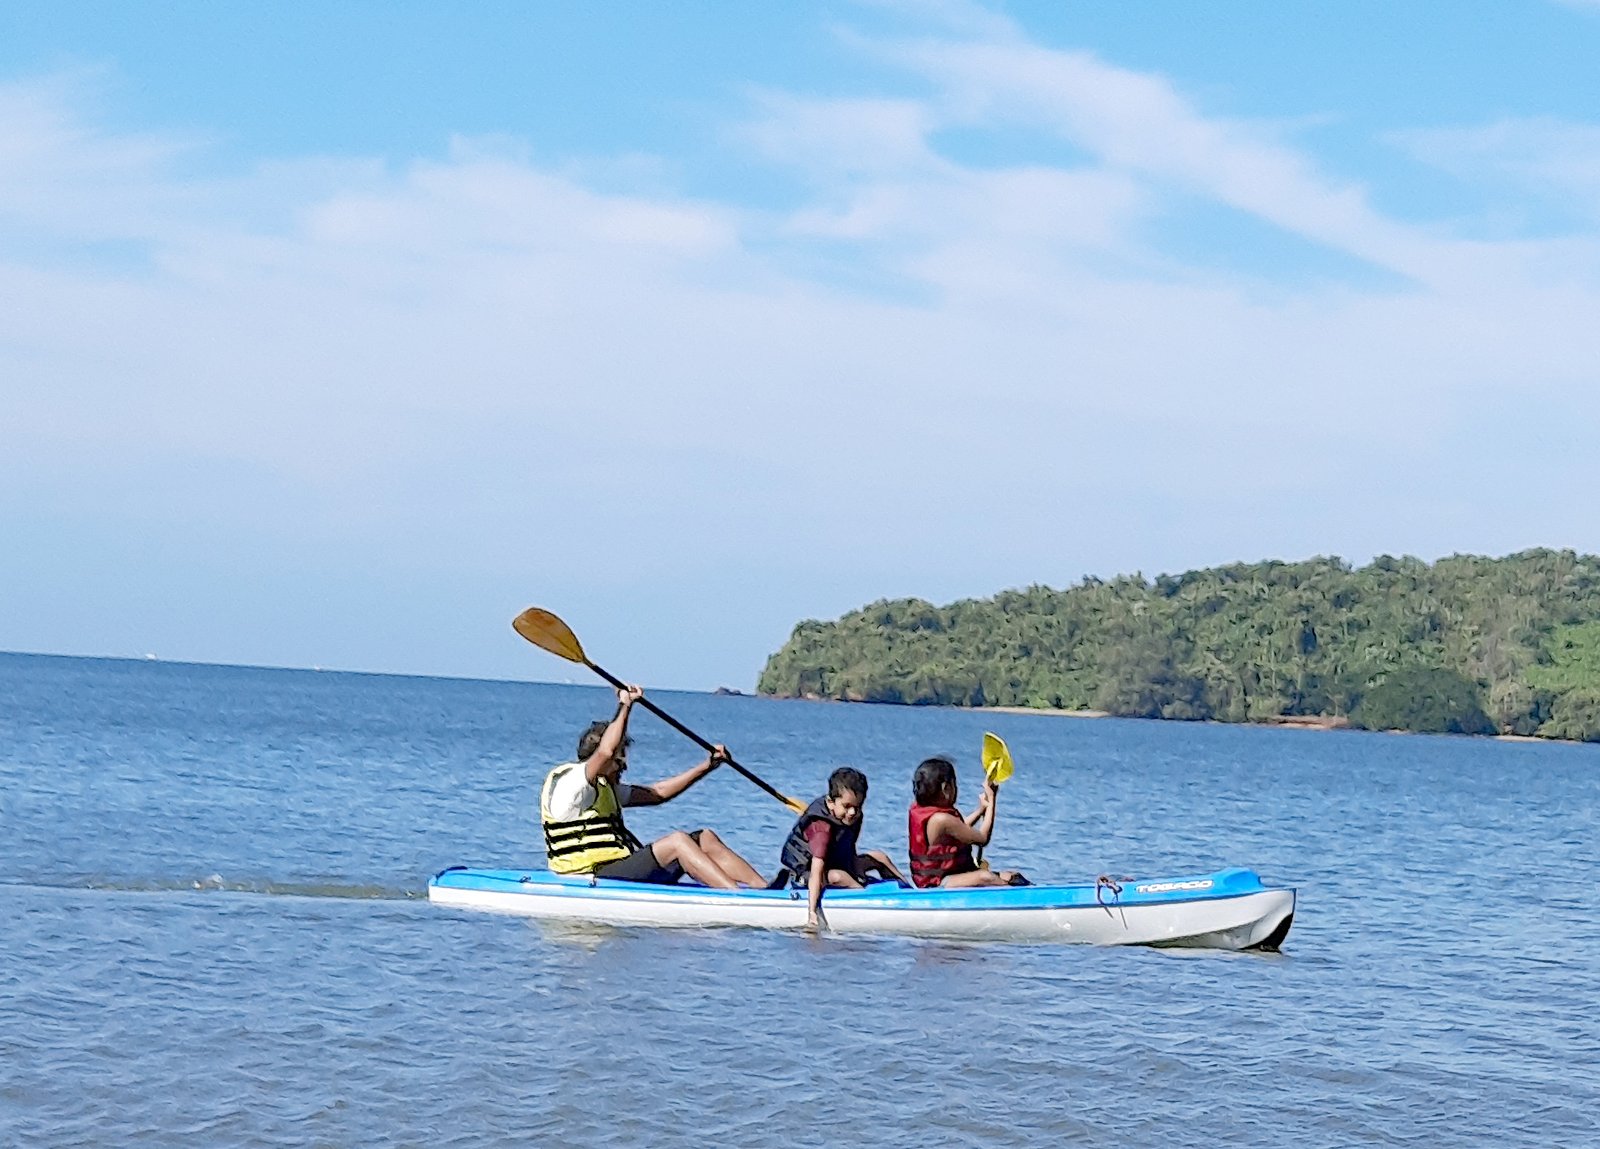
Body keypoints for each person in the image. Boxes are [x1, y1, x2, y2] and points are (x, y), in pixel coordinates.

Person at [540, 684, 765, 889]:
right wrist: (625, 704)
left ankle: (762, 889)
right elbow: (606, 751)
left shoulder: (606, 788)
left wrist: (707, 766)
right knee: (677, 842)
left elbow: (658, 793)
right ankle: (737, 898)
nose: (624, 767)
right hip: (590, 876)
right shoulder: (572, 783)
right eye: (620, 760)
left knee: (704, 838)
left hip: (618, 871)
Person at [778, 766, 907, 930]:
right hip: (807, 875)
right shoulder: (821, 828)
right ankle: (863, 900)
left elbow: (848, 847)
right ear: (831, 803)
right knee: (839, 876)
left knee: (878, 857)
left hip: (835, 863)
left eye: (858, 807)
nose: (852, 812)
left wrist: (856, 871)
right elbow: (817, 870)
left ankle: (909, 893)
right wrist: (812, 913)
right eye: (847, 806)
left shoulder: (852, 816)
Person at [907, 755, 1027, 888]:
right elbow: (982, 838)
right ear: (946, 788)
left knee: (1012, 876)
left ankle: (1032, 891)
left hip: (953, 875)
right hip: (938, 883)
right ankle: (1019, 897)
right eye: (954, 784)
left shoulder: (935, 816)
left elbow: (961, 829)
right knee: (986, 877)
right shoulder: (941, 819)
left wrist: (980, 810)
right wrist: (992, 798)